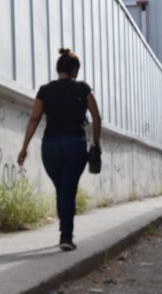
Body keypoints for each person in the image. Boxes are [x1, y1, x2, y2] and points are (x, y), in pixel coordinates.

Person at [18, 48, 101, 251]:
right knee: (68, 190)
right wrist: (96, 143)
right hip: (74, 145)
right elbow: (96, 116)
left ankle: (64, 232)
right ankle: (65, 236)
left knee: (61, 189)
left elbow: (35, 118)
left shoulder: (45, 90)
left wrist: (24, 147)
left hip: (50, 148)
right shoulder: (83, 88)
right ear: (74, 70)